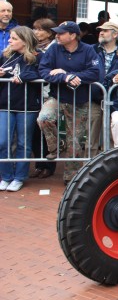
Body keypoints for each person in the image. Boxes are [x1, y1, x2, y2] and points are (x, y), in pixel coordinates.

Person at [37, 21, 100, 184]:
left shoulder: (88, 50)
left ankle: (70, 177)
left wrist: (69, 73)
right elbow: (43, 71)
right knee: (44, 118)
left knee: (76, 141)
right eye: (56, 32)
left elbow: (94, 73)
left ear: (73, 35)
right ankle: (56, 146)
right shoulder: (53, 49)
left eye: (61, 33)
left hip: (79, 101)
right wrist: (64, 77)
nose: (56, 35)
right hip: (57, 96)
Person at [0, 27, 43, 192]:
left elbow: (42, 73)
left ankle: (19, 177)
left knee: (23, 143)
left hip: (27, 105)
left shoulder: (38, 56)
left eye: (13, 38)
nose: (10, 41)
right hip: (5, 104)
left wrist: (24, 76)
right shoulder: (5, 56)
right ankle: (6, 176)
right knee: (3, 142)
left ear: (24, 40)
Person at [89, 21, 118, 157]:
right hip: (94, 98)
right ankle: (88, 168)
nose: (101, 33)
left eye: (106, 30)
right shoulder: (91, 50)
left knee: (112, 137)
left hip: (114, 99)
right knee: (91, 137)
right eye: (100, 30)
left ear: (115, 35)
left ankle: (111, 167)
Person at [29, 18, 57, 179]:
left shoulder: (53, 48)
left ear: (49, 32)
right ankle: (39, 164)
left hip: (48, 93)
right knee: (35, 131)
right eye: (34, 29)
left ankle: (49, 164)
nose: (36, 32)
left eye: (39, 29)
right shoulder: (33, 48)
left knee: (45, 124)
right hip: (35, 94)